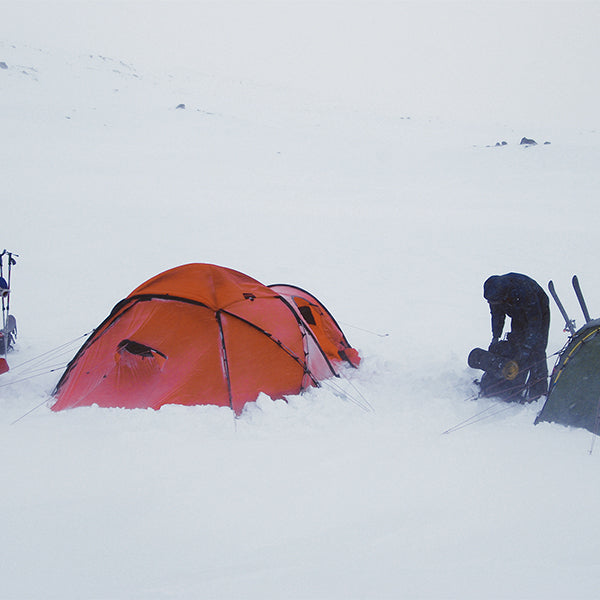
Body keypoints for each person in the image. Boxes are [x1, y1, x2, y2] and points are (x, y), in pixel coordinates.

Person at [482, 272, 550, 401]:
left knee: (537, 349)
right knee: (516, 344)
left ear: (503, 296)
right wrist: (495, 337)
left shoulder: (524, 292)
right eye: (490, 302)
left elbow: (534, 322)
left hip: (538, 309)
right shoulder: (494, 295)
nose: (492, 303)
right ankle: (514, 385)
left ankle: (538, 392)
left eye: (494, 302)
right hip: (517, 311)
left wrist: (528, 346)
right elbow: (497, 316)